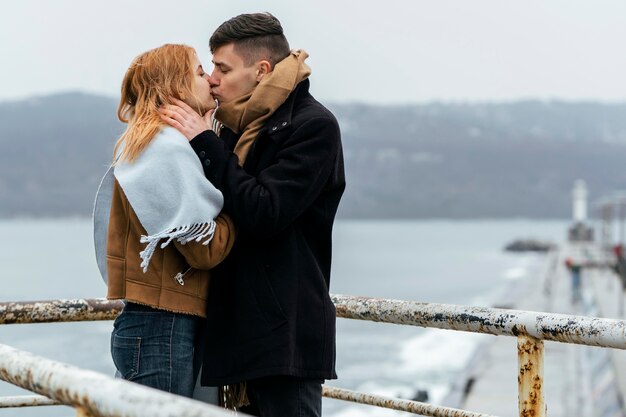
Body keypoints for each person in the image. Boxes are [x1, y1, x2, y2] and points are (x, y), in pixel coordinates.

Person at [159, 12, 345, 417]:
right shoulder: (234, 129)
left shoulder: (313, 127)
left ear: (261, 70)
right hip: (239, 336)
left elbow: (264, 211)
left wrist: (206, 142)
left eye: (222, 68)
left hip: (285, 339)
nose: (211, 79)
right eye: (210, 68)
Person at [93, 44, 236, 397]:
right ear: (177, 85)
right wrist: (240, 212)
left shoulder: (147, 144)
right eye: (200, 73)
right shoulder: (166, 148)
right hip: (163, 327)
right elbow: (205, 250)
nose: (211, 81)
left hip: (152, 324)